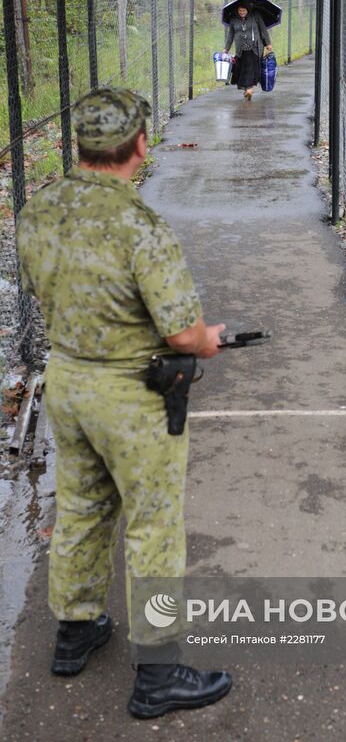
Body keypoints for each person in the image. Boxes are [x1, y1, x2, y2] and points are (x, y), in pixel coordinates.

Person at [16, 87, 232, 720]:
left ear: (80, 144)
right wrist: (209, 342)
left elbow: (36, 285)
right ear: (140, 144)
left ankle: (75, 631)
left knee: (81, 504)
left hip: (68, 383)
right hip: (132, 396)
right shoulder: (140, 225)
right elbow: (183, 333)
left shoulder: (37, 210)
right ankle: (159, 673)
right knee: (154, 524)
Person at [224, 2, 273, 102]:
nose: (242, 12)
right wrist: (226, 48)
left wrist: (268, 43)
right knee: (241, 70)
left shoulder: (255, 16)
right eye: (240, 11)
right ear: (237, 11)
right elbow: (230, 35)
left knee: (252, 69)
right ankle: (247, 89)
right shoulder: (233, 19)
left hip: (254, 47)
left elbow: (263, 30)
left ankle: (250, 89)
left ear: (247, 10)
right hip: (240, 49)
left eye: (244, 10)